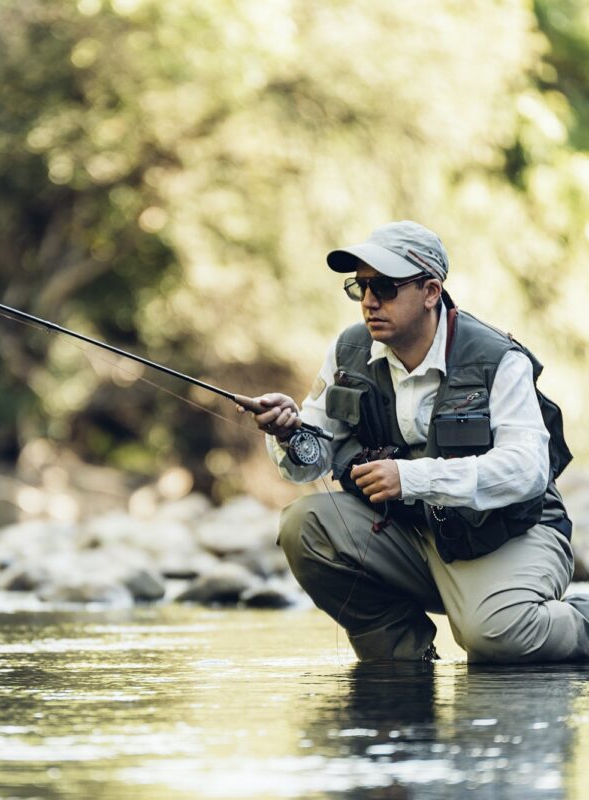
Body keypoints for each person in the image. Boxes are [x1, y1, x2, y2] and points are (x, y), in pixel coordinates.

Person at [245, 221, 589, 663]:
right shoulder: (348, 352)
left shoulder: (498, 359)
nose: (369, 301)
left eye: (385, 288)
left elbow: (528, 470)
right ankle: (402, 656)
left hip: (511, 533)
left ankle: (580, 619)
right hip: (411, 534)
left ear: (430, 292)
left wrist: (410, 478)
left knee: (496, 640)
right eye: (361, 287)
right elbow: (310, 462)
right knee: (303, 525)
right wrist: (289, 434)